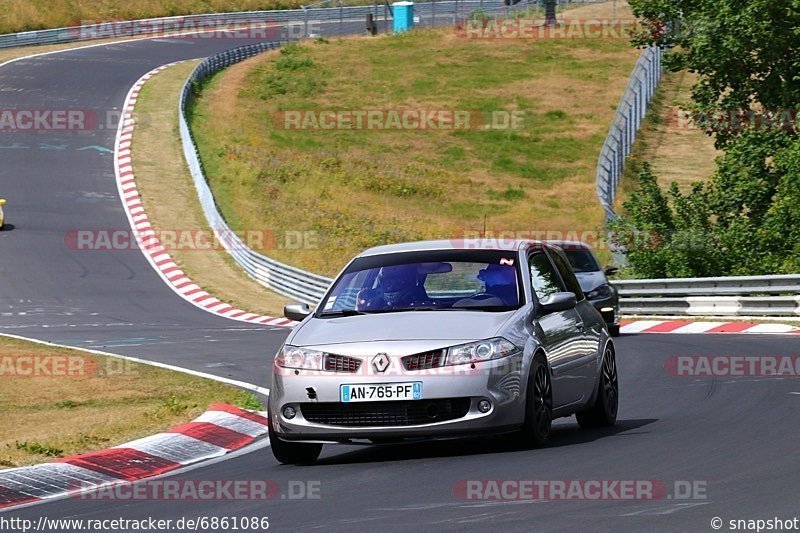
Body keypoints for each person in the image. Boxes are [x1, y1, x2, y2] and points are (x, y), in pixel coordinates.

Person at [356, 264, 428, 310]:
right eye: (386, 280)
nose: (389, 286)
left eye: (396, 280)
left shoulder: (422, 304)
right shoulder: (375, 304)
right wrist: (360, 308)